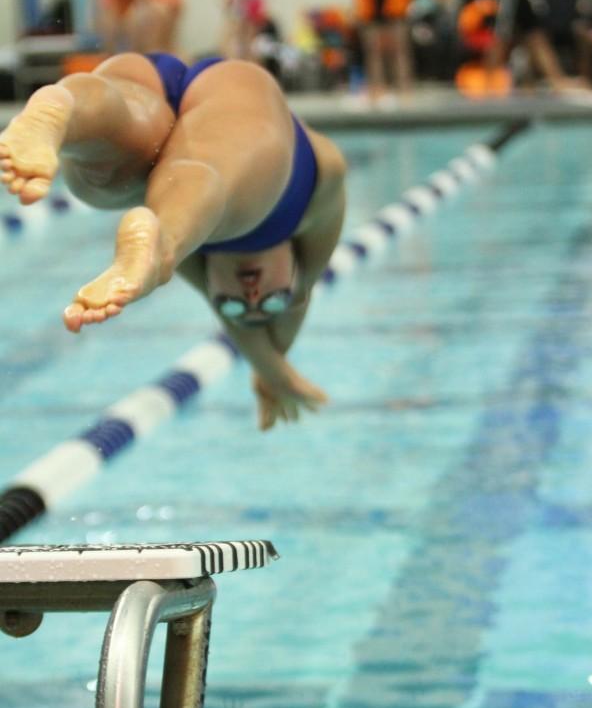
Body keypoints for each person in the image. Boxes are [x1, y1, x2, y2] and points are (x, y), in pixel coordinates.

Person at [0, 53, 347, 431]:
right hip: (234, 93)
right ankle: (161, 250)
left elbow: (262, 319)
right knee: (215, 182)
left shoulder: (192, 246)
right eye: (272, 299)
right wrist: (275, 374)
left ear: (210, 287)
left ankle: (63, 110)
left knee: (105, 180)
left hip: (152, 94)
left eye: (230, 306)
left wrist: (270, 370)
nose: (251, 295)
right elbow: (297, 302)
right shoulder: (315, 197)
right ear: (296, 274)